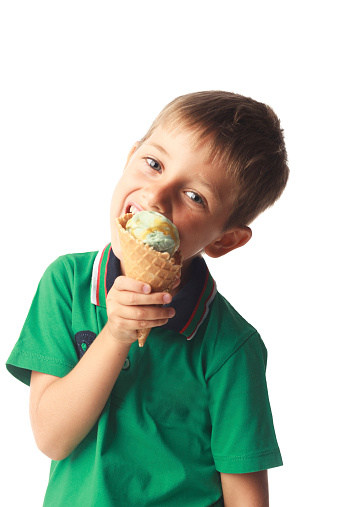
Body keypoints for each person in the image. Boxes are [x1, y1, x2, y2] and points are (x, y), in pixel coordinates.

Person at [6, 91, 289, 506]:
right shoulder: (66, 283)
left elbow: (246, 496)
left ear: (225, 239)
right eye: (153, 164)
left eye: (195, 197)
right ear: (130, 157)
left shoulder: (231, 346)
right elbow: (52, 438)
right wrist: (115, 334)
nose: (156, 197)